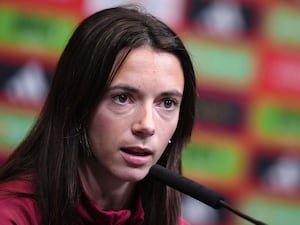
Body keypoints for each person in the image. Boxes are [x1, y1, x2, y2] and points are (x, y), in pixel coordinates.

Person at [0, 5, 196, 225]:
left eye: (167, 103)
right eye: (122, 98)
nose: (147, 125)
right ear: (77, 104)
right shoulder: (10, 216)